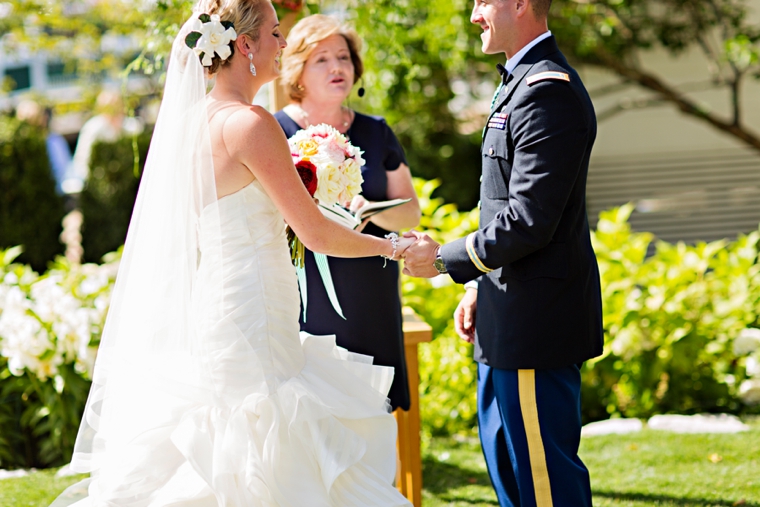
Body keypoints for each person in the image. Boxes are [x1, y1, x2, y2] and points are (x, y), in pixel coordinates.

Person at [51, 0, 413, 505]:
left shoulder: (194, 122)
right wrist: (395, 246)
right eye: (275, 33)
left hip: (220, 302)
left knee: (228, 433)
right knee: (266, 434)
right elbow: (316, 234)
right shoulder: (251, 123)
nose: (282, 44)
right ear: (245, 45)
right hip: (257, 310)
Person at [401, 0, 603, 505]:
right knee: (513, 474)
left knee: (543, 482)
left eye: (481, 2)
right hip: (508, 313)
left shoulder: (546, 91)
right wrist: (476, 285)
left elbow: (529, 220)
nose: (473, 15)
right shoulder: (521, 81)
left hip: (535, 324)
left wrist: (446, 259)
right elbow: (501, 205)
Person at [274, 14, 421, 412]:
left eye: (343, 57)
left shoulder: (377, 132)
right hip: (306, 294)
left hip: (371, 289)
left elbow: (410, 212)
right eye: (322, 59)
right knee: (314, 416)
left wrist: (371, 211)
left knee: (373, 414)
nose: (338, 67)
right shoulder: (274, 133)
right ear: (298, 70)